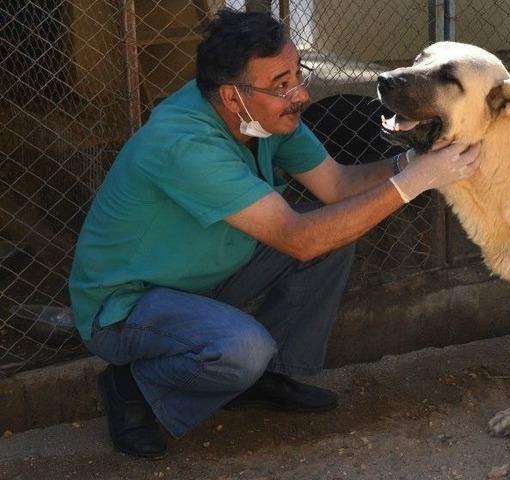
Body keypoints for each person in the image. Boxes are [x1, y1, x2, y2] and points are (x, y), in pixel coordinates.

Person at [68, 8, 479, 459]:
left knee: (336, 235)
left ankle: (263, 376)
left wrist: (412, 163)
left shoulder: (263, 115)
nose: (301, 94)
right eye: (282, 84)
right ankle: (131, 386)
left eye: (298, 74)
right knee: (242, 347)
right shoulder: (185, 144)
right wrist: (416, 181)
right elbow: (298, 238)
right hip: (127, 306)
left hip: (198, 279)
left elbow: (337, 186)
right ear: (233, 97)